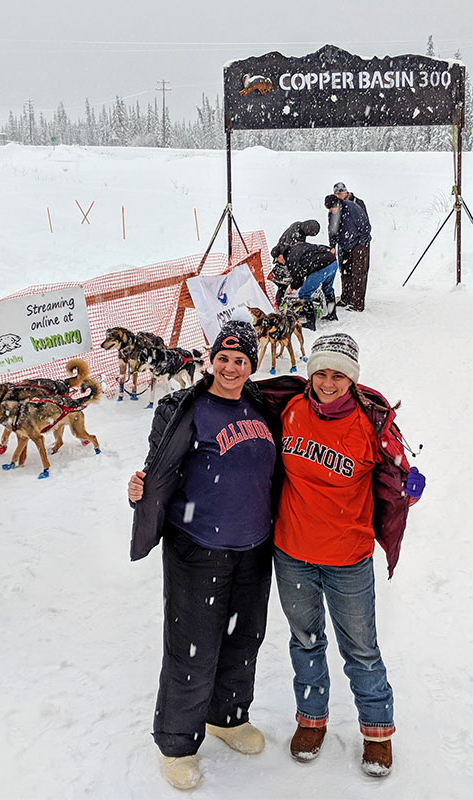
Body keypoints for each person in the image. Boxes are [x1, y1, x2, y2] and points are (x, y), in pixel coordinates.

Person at [256, 333, 425, 777]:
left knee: (361, 649)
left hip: (347, 557)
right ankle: (311, 719)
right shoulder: (289, 409)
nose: (328, 383)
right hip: (292, 550)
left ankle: (377, 729)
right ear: (310, 373)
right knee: (305, 639)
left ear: (352, 380)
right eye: (321, 373)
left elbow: (396, 477)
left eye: (338, 375)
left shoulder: (371, 426)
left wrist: (408, 490)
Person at [128, 311, 280, 791]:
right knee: (192, 649)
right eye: (223, 358)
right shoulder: (184, 409)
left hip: (254, 548)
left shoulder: (261, 408)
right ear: (211, 361)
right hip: (199, 547)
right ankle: (176, 744)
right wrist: (139, 490)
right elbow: (157, 469)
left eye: (240, 359)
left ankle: (228, 718)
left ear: (252, 366)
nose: (231, 367)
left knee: (243, 639)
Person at [272, 229, 339, 329]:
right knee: (327, 288)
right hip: (332, 262)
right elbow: (315, 247)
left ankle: (310, 323)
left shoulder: (291, 259)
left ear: (280, 256)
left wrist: (291, 287)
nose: (279, 262)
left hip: (321, 267)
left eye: (277, 260)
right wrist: (329, 249)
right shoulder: (297, 246)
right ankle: (332, 315)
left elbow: (298, 279)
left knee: (304, 294)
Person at [325, 193, 372, 313]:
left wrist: (361, 243)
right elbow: (332, 230)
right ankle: (346, 297)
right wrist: (332, 246)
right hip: (344, 245)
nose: (331, 211)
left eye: (332, 208)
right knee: (345, 271)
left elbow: (366, 226)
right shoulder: (332, 214)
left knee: (359, 273)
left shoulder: (352, 208)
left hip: (359, 243)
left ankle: (358, 303)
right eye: (329, 209)